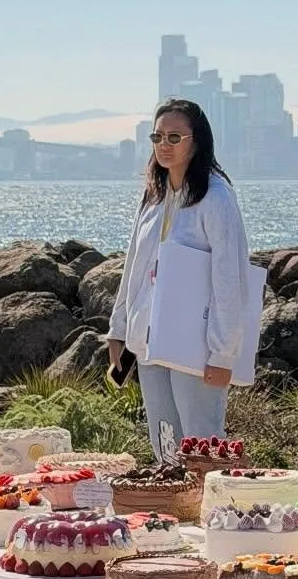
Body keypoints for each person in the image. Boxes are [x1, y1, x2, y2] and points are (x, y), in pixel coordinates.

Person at [107, 97, 251, 460]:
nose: (164, 146)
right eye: (157, 137)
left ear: (197, 141)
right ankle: (171, 512)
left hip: (196, 345)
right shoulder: (153, 196)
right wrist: (119, 329)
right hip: (149, 341)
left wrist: (223, 353)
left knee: (202, 446)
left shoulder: (216, 198)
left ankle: (212, 514)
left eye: (175, 137)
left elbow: (229, 279)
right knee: (164, 445)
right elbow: (133, 267)